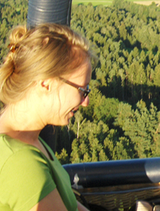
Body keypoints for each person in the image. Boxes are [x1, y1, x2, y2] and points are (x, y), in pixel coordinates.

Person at [0, 23, 96, 211]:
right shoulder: (20, 162)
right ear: (46, 83)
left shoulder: (29, 139)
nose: (86, 102)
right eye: (82, 90)